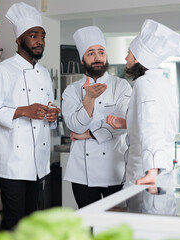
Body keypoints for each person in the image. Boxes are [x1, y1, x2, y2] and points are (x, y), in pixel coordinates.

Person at [0, 2, 60, 230]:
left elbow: (45, 111)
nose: (40, 41)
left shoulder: (44, 74)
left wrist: (51, 116)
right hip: (12, 162)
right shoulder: (3, 70)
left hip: (37, 162)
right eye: (33, 35)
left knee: (31, 221)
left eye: (42, 36)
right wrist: (24, 110)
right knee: (15, 221)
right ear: (18, 40)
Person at [106, 19, 180, 186]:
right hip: (163, 167)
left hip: (145, 170)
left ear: (138, 58)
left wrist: (151, 171)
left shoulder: (144, 83)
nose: (126, 57)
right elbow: (160, 123)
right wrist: (128, 124)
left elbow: (152, 124)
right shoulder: (163, 82)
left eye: (129, 53)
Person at [62, 26, 132, 208]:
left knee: (115, 227)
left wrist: (89, 134)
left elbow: (124, 122)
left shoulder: (121, 86)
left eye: (101, 52)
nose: (97, 58)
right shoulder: (71, 90)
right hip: (82, 173)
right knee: (87, 226)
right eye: (91, 53)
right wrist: (89, 99)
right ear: (82, 60)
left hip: (114, 169)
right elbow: (74, 126)